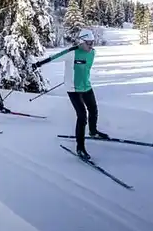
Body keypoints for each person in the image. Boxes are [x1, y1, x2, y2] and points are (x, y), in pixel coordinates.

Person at [32, 29, 108, 160]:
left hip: (86, 86)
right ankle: (80, 148)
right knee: (82, 116)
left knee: (93, 109)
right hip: (73, 89)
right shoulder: (71, 53)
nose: (91, 46)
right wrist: (38, 64)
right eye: (88, 43)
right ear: (81, 42)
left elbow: (84, 69)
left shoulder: (92, 53)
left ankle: (93, 131)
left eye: (92, 43)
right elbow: (54, 58)